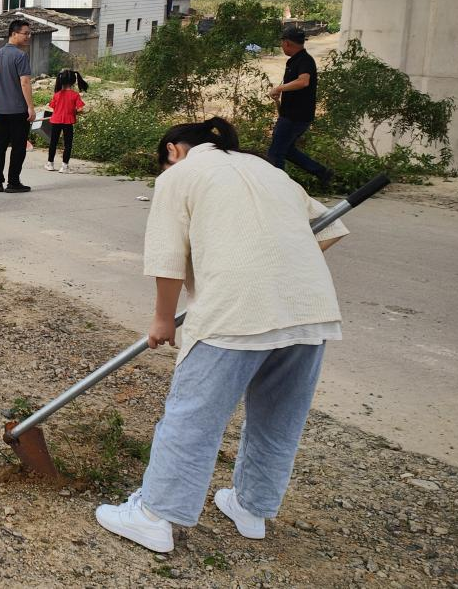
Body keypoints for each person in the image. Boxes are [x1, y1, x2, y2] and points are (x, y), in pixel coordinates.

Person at [95, 116, 348, 554]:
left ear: (173, 150)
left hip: (235, 310)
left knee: (193, 415)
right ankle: (252, 509)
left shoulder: (180, 176)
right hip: (309, 308)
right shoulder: (268, 169)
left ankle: (155, 516)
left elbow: (167, 256)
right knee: (278, 418)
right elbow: (328, 230)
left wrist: (161, 319)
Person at [267, 27, 333, 189]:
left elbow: (303, 82)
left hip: (294, 117)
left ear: (287, 43)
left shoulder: (305, 61)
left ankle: (279, 189)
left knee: (275, 154)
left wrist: (279, 89)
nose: (282, 46)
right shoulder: (296, 60)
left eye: (282, 43)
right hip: (292, 114)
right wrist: (280, 95)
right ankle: (322, 173)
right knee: (287, 150)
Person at [0, 19, 35, 193]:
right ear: (14, 33)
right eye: (25, 33)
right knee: (18, 146)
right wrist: (30, 107)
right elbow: (25, 82)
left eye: (29, 33)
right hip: (17, 110)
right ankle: (13, 182)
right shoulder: (20, 56)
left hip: (1, 109)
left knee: (0, 145)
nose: (28, 37)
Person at [44, 69, 87, 172]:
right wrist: (74, 112)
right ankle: (64, 166)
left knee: (53, 143)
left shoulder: (57, 94)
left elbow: (52, 107)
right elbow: (81, 109)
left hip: (56, 121)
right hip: (68, 122)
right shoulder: (75, 95)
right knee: (68, 144)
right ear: (73, 81)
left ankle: (50, 164)